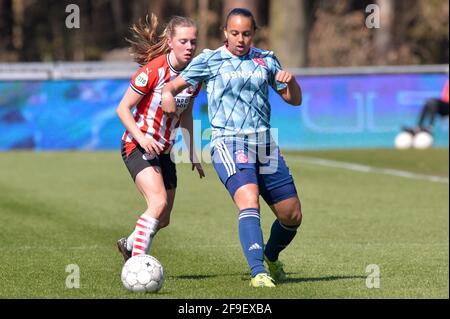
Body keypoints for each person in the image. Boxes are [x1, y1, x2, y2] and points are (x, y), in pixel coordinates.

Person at [161, 8, 303, 288]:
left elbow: (293, 100)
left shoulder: (266, 60)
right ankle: (258, 272)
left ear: (254, 33)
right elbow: (172, 86)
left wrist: (292, 82)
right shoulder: (210, 60)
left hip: (264, 144)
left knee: (292, 215)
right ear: (225, 33)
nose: (241, 39)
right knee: (248, 199)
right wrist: (167, 95)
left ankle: (270, 257)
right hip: (228, 142)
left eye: (247, 33)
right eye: (235, 33)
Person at [116, 14, 205, 262]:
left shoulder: (193, 77)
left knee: (163, 218)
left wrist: (192, 152)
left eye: (193, 42)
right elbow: (122, 109)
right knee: (158, 203)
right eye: (183, 41)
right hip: (137, 145)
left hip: (164, 151)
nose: (189, 47)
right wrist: (142, 139)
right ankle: (137, 264)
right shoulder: (153, 71)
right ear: (170, 40)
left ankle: (129, 244)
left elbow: (185, 114)